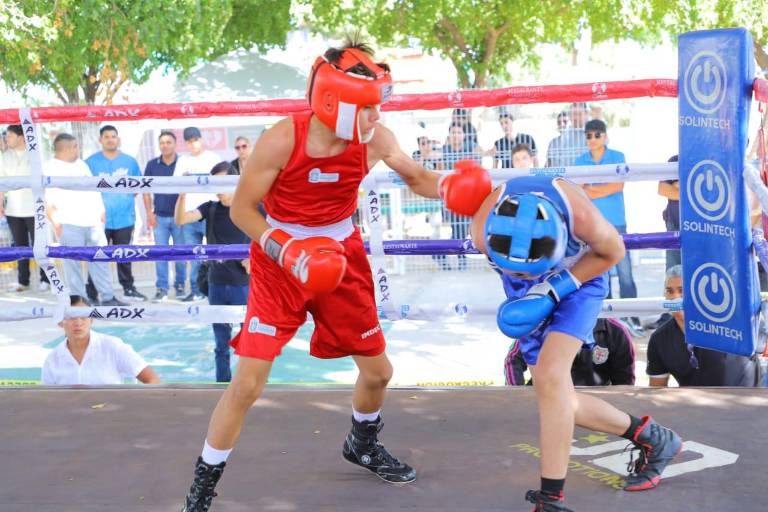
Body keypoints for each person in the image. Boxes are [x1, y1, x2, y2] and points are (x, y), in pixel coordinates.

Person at [180, 39, 443, 511]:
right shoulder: (282, 138)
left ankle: (361, 443)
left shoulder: (375, 140)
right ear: (334, 101)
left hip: (342, 254)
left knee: (379, 373)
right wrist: (286, 251)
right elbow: (242, 210)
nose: (376, 118)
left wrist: (471, 191)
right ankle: (202, 487)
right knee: (247, 384)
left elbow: (420, 179)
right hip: (281, 259)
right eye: (367, 108)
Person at [439, 160, 682, 510]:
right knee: (554, 393)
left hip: (582, 277)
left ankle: (551, 499)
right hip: (526, 284)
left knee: (552, 377)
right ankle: (655, 439)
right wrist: (529, 288)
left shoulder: (579, 213)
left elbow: (613, 252)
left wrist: (556, 287)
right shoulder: (483, 230)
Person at [175, 162, 250, 383]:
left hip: (243, 283)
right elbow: (181, 220)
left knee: (250, 343)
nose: (218, 187)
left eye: (222, 182)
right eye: (214, 182)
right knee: (221, 344)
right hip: (217, 282)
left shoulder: (250, 208)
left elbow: (269, 234)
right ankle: (222, 387)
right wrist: (181, 193)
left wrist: (254, 256)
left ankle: (249, 386)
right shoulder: (210, 207)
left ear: (235, 182)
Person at [574, 119, 642, 335]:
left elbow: (618, 185)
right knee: (600, 271)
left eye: (596, 134)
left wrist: (592, 189)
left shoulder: (617, 156)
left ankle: (632, 319)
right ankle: (610, 323)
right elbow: (578, 190)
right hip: (593, 225)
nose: (592, 139)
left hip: (616, 221)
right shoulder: (579, 160)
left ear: (605, 136)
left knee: (625, 272)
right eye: (588, 135)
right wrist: (605, 188)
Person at [45, 133, 125, 307]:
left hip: (93, 222)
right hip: (68, 223)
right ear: (66, 148)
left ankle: (107, 297)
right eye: (75, 146)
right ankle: (79, 301)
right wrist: (56, 222)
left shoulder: (81, 164)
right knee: (72, 265)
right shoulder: (50, 168)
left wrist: (101, 209)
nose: (77, 149)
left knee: (100, 261)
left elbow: (93, 188)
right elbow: (47, 199)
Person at [647, 265, 761, 387]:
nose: (675, 297)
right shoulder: (659, 339)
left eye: (682, 291)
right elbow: (656, 388)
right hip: (692, 404)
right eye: (669, 291)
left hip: (746, 401)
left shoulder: (735, 324)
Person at [85, 125, 146, 301]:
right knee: (97, 256)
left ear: (117, 139)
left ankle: (128, 288)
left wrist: (122, 200)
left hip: (124, 218)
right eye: (107, 136)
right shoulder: (91, 163)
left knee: (124, 254)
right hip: (99, 219)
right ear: (101, 140)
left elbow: (137, 187)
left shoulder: (129, 162)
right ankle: (92, 292)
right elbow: (86, 188)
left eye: (113, 136)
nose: (111, 139)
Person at [41, 295, 160, 385]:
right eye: (71, 317)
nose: (78, 323)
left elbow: (153, 379)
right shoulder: (53, 359)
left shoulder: (113, 346)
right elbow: (47, 401)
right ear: (60, 322)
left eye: (83, 316)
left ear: (91, 320)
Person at [505, 317, 636, 386]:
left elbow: (624, 383)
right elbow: (514, 359)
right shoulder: (541, 324)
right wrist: (519, 396)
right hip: (543, 399)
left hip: (596, 404)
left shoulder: (616, 332)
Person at [0, 124, 50, 292]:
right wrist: (1, 205)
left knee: (40, 246)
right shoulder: (5, 156)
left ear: (21, 137)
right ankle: (23, 281)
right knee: (19, 247)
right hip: (13, 210)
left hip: (35, 209)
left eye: (10, 136)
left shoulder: (36, 155)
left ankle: (46, 280)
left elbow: (45, 183)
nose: (6, 139)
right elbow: (1, 183)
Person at [174, 127, 220, 302]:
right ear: (186, 143)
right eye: (189, 140)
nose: (193, 143)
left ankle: (212, 288)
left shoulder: (213, 158)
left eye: (195, 139)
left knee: (215, 255)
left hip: (210, 213)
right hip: (190, 215)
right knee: (194, 256)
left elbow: (222, 182)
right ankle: (196, 290)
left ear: (201, 139)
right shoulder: (183, 161)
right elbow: (176, 185)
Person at [143, 131, 186, 301]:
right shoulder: (152, 164)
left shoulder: (183, 163)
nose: (165, 145)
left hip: (179, 218)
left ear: (175, 144)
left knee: (181, 254)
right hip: (159, 217)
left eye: (169, 142)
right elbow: (145, 190)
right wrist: (149, 214)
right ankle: (162, 288)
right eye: (162, 142)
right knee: (160, 254)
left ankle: (180, 285)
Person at [546, 102, 588, 167]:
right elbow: (549, 165)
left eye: (579, 114)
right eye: (573, 114)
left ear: (586, 114)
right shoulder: (557, 141)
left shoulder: (592, 135)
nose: (575, 118)